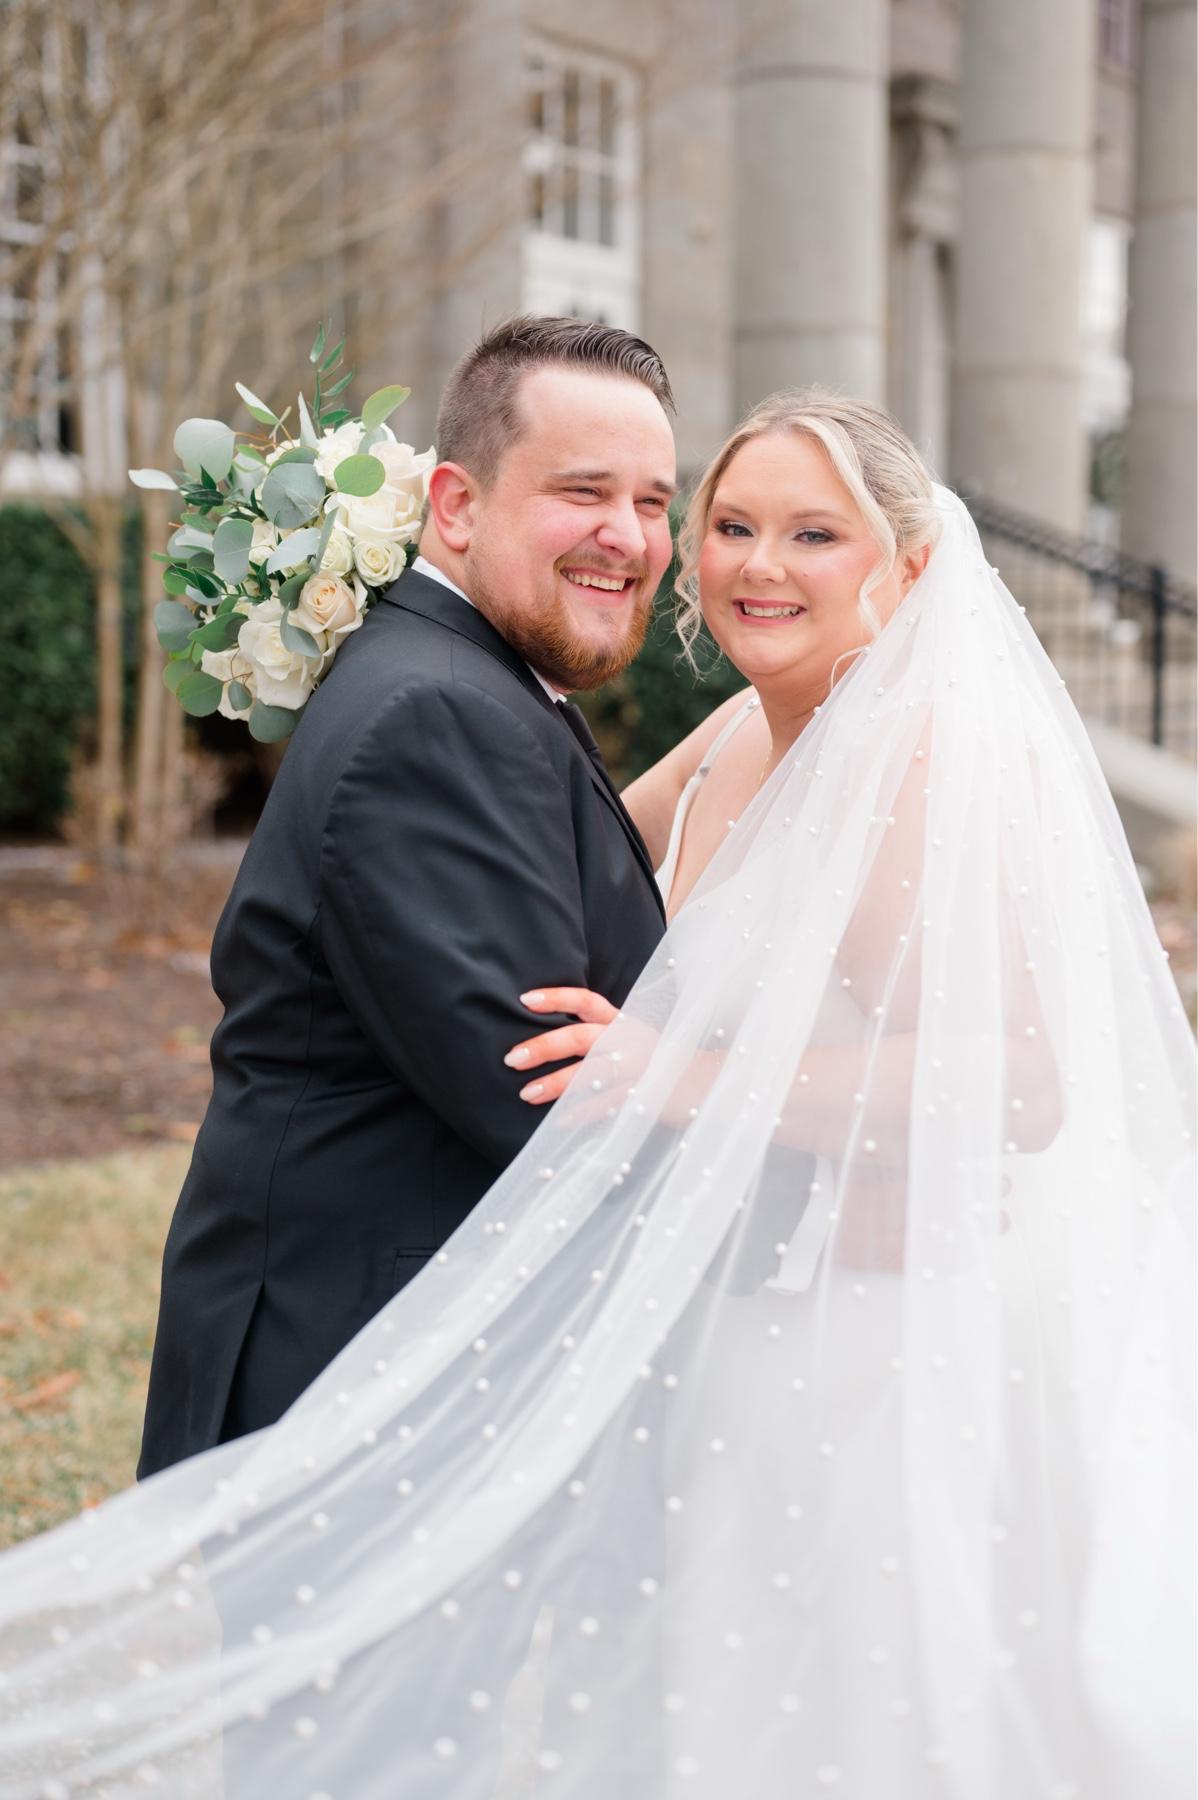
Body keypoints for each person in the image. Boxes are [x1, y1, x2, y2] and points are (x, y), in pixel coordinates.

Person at [0, 394, 1193, 1800]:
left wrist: (682, 1077)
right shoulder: (736, 735)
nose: (758, 564)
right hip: (725, 1334)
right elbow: (547, 860)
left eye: (813, 534)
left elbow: (1016, 1078)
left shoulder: (923, 758)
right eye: (731, 525)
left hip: (870, 1340)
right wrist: (411, 649)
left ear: (910, 565)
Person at [137, 316, 675, 1478]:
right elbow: (549, 1104)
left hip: (381, 1363)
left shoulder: (466, 678)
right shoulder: (440, 715)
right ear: (456, 506)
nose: (628, 537)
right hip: (358, 1396)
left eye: (653, 502)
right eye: (583, 491)